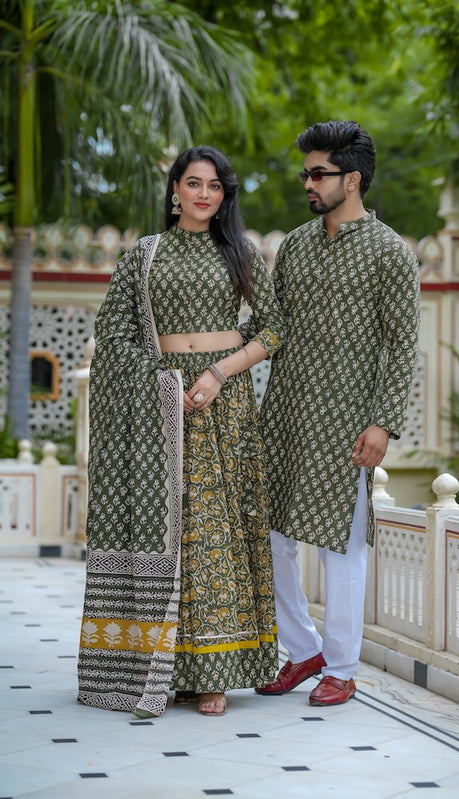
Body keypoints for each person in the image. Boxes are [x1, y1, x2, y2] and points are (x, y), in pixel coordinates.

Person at [77, 146, 285, 718]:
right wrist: (160, 382)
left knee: (213, 536)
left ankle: (214, 670)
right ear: (174, 189)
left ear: (224, 196)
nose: (203, 194)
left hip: (223, 403)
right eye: (193, 183)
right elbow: (114, 332)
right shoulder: (142, 257)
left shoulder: (240, 253)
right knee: (168, 534)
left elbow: (274, 329)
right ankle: (166, 667)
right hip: (159, 405)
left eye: (214, 186)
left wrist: (219, 373)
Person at [246, 120, 420, 706]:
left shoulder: (392, 253)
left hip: (349, 422)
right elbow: (270, 326)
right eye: (305, 173)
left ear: (352, 179)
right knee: (270, 539)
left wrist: (383, 421)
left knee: (342, 547)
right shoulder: (294, 245)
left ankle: (342, 666)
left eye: (318, 173)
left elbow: (401, 344)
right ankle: (303, 650)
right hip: (286, 414)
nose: (308, 183)